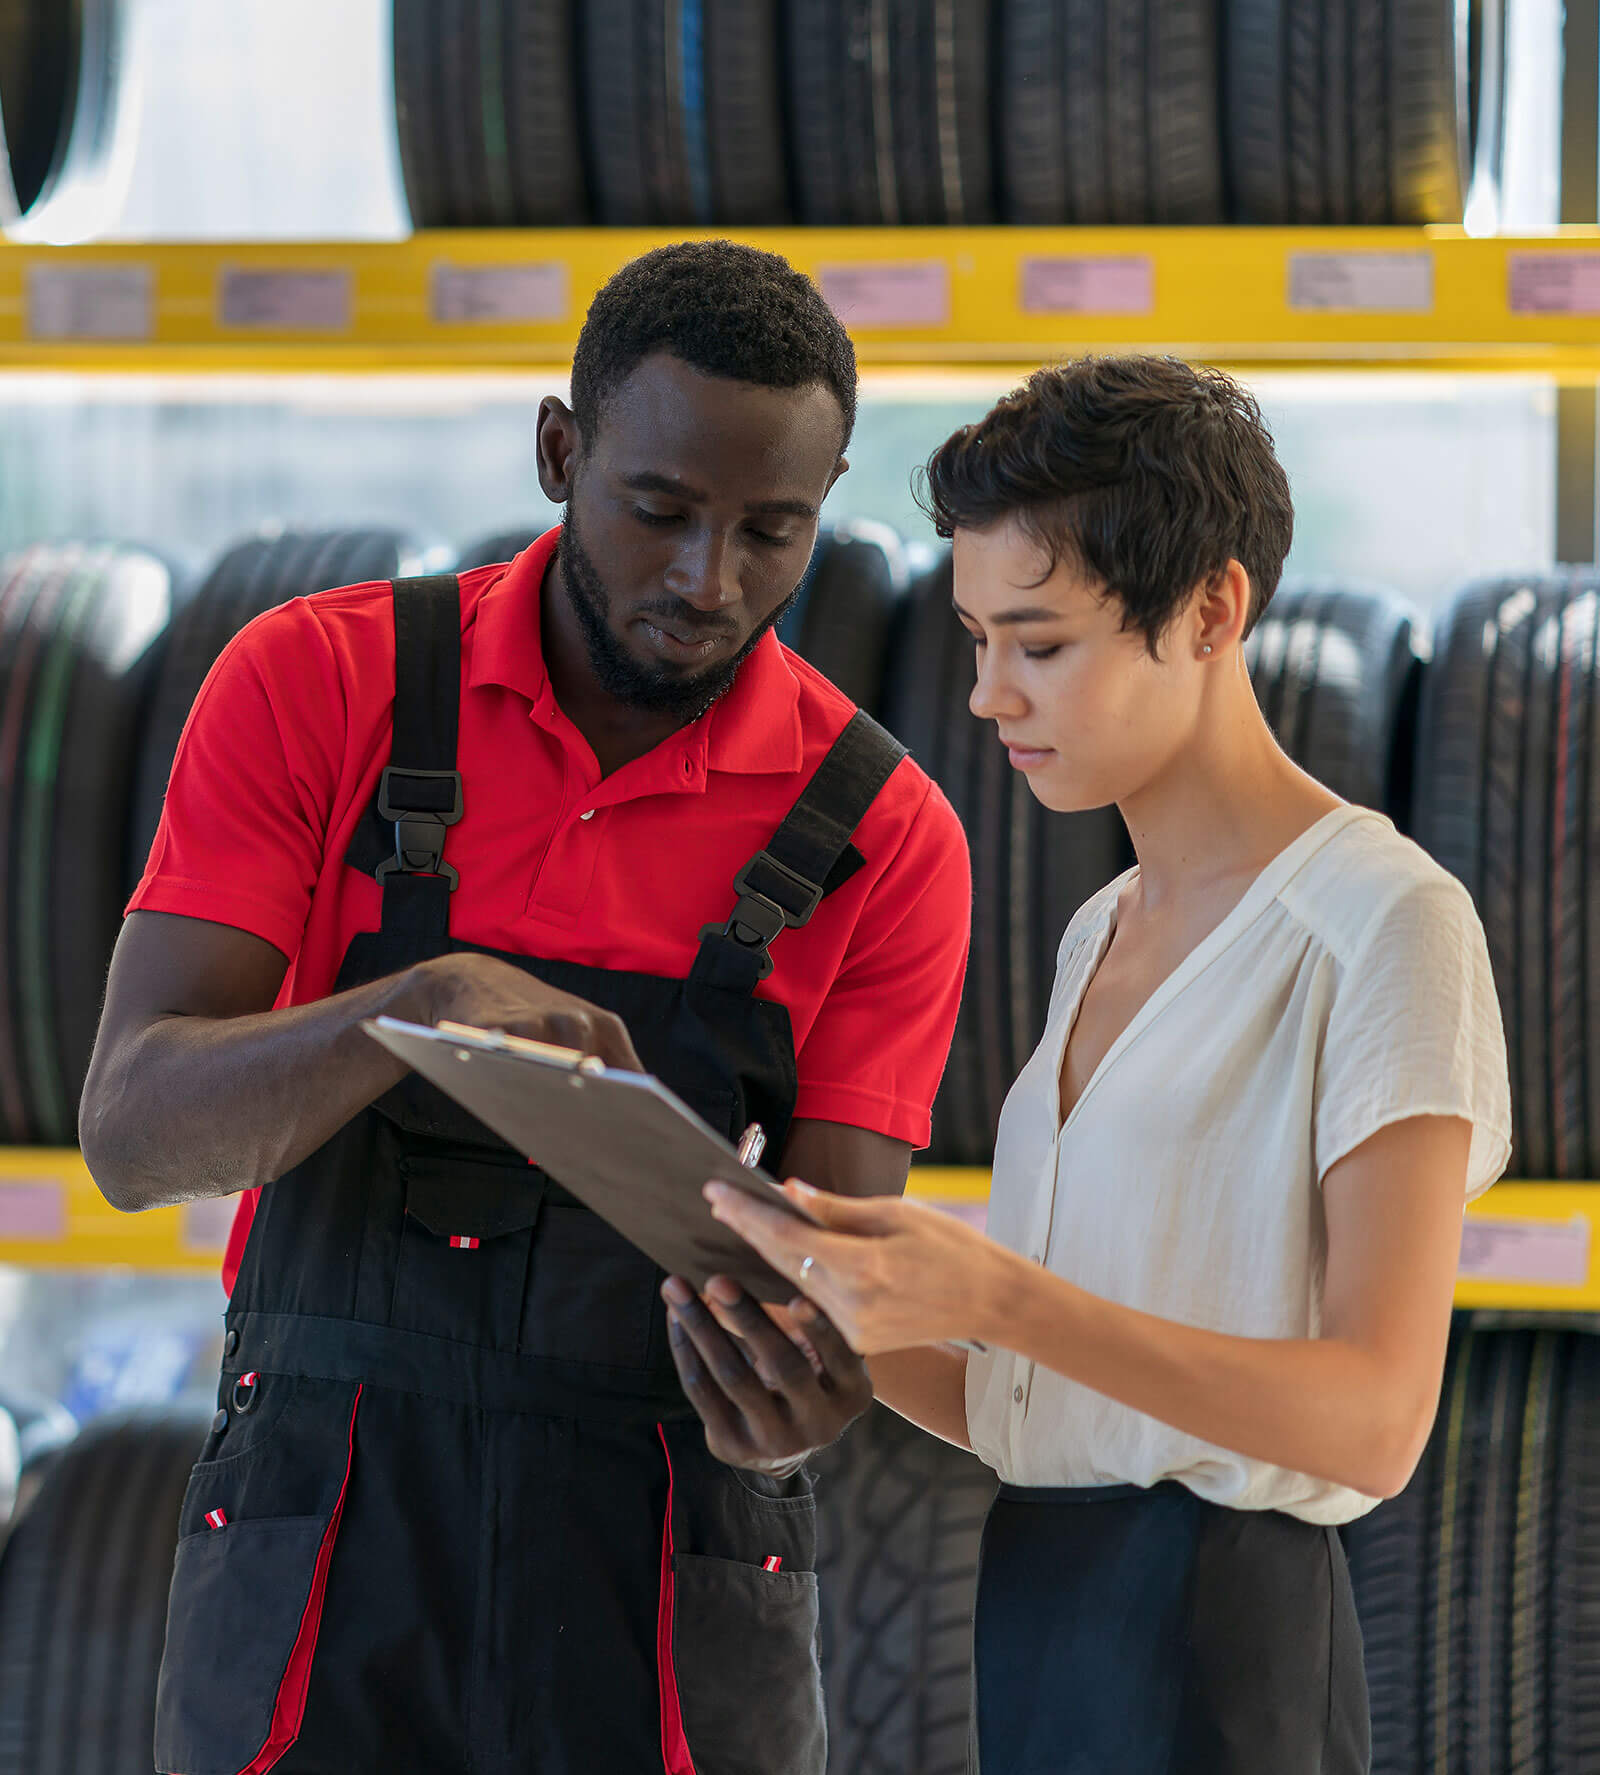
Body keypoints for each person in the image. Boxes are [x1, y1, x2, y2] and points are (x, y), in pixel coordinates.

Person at [79, 241, 971, 1775]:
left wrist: (808, 1393)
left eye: (774, 531)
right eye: (661, 512)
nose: (711, 581)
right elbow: (133, 1137)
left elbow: (838, 1283)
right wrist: (398, 1008)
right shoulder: (316, 684)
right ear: (560, 451)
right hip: (325, 1526)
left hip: (667, 1560)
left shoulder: (884, 836)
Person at [680, 355, 1512, 1774]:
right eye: (976, 639)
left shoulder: (1385, 925)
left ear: (1211, 610)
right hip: (1039, 1601)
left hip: (1226, 1642)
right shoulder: (1096, 930)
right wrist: (843, 1302)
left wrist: (1002, 1292)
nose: (992, 696)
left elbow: (1376, 1422)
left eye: (1042, 643)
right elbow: (1043, 1406)